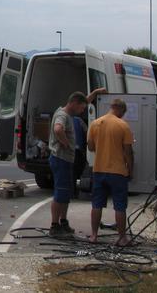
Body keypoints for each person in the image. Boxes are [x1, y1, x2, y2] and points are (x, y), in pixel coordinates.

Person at [47, 88, 107, 236]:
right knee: (60, 193)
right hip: (60, 159)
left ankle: (63, 222)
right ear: (74, 103)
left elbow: (84, 100)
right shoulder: (63, 115)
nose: (82, 111)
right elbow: (58, 129)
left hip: (66, 160)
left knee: (66, 193)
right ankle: (54, 226)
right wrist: (66, 143)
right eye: (81, 107)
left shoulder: (70, 111)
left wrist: (96, 92)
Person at [87, 98, 134, 246]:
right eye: (123, 113)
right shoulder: (123, 126)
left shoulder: (95, 124)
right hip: (118, 172)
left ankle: (94, 236)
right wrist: (130, 170)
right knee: (120, 205)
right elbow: (128, 152)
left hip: (99, 170)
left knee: (96, 204)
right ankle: (122, 238)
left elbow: (90, 147)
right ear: (120, 109)